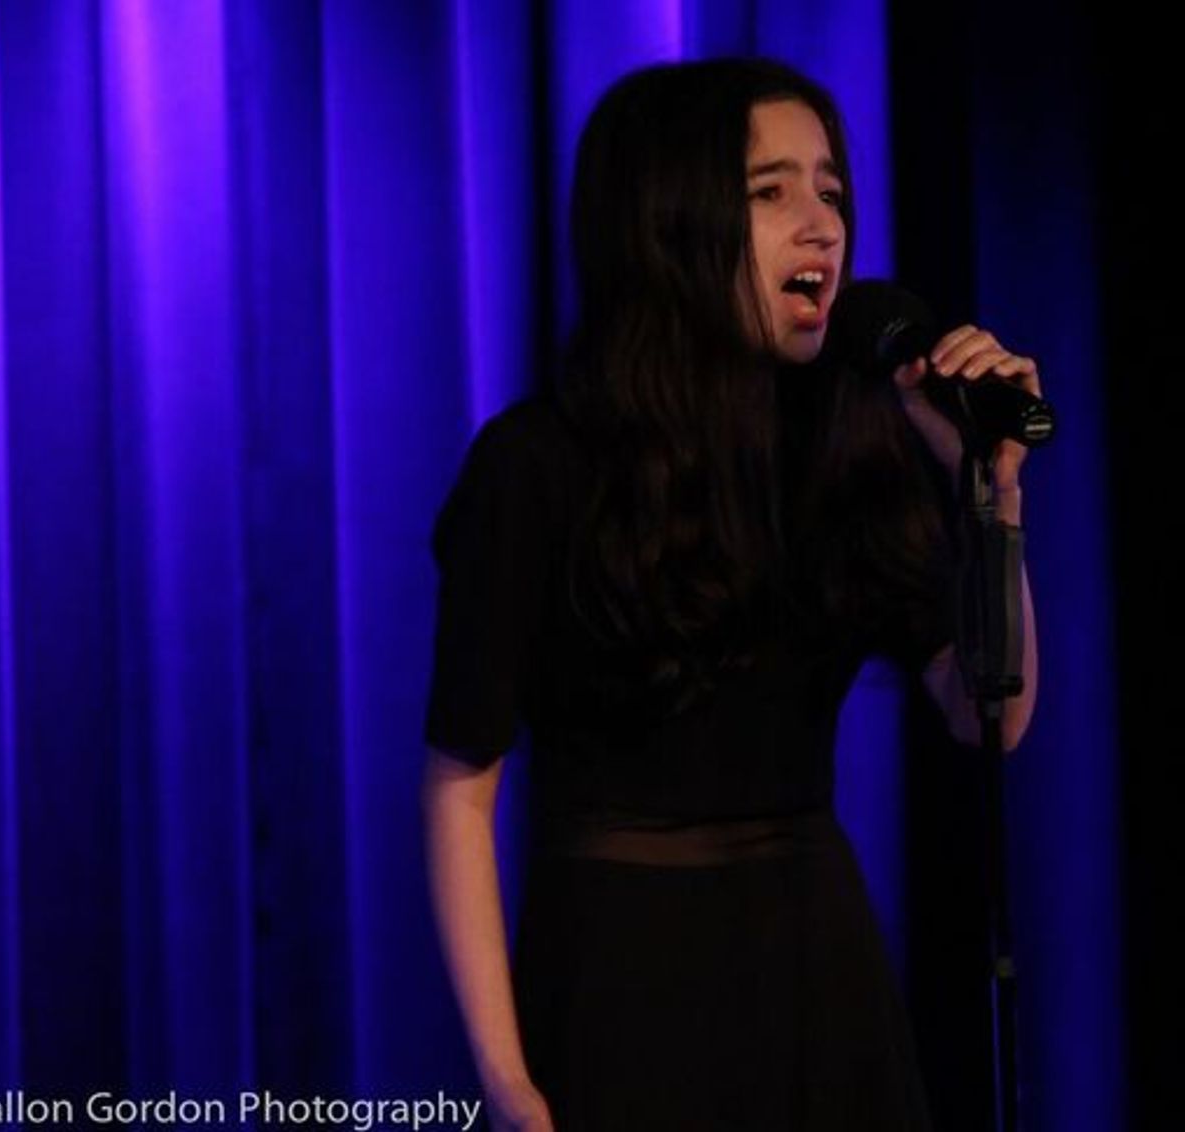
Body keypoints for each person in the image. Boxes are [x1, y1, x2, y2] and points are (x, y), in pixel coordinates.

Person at [421, 57, 1038, 1131]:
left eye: (830, 190)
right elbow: (458, 789)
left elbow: (991, 708)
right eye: (770, 192)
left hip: (816, 972)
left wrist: (989, 494)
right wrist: (506, 1077)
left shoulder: (846, 445)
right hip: (618, 967)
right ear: (671, 221)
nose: (820, 224)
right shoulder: (539, 463)